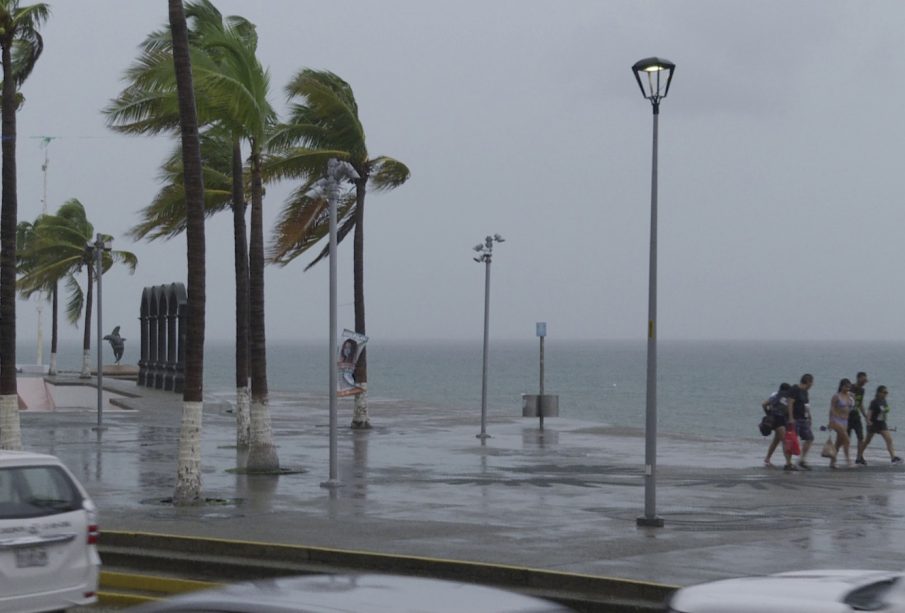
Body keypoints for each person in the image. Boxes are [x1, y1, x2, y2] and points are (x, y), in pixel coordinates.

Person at [862, 385, 903, 465]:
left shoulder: (884, 401)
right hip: (873, 424)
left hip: (882, 423)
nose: (886, 394)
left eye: (886, 392)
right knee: (867, 441)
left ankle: (893, 458)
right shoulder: (874, 402)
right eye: (884, 392)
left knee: (889, 439)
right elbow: (869, 412)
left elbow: (884, 411)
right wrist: (868, 421)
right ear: (879, 393)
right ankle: (859, 455)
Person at [786, 374, 815, 470]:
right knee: (792, 440)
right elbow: (790, 402)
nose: (812, 385)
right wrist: (790, 418)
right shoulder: (795, 389)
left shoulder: (805, 392)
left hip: (803, 419)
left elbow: (806, 405)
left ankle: (802, 459)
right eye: (811, 382)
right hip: (795, 419)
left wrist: (809, 416)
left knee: (810, 438)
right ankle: (788, 463)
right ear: (808, 382)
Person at [762, 383, 791, 468]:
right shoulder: (786, 397)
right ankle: (788, 463)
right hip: (780, 420)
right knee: (785, 441)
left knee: (776, 440)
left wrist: (768, 414)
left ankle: (767, 459)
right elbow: (787, 409)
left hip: (773, 419)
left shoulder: (775, 394)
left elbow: (764, 404)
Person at [827, 378, 853, 469]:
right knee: (847, 440)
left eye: (849, 387)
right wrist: (830, 421)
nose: (848, 388)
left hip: (845, 421)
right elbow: (832, 409)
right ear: (841, 386)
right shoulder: (836, 396)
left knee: (839, 443)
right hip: (836, 420)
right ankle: (848, 461)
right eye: (846, 386)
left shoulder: (850, 396)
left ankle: (832, 462)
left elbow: (851, 407)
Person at [850, 372, 869, 465]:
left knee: (860, 436)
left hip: (856, 416)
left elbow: (860, 403)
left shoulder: (862, 390)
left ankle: (859, 457)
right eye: (863, 379)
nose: (865, 382)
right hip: (847, 416)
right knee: (845, 438)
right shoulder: (850, 387)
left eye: (865, 380)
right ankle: (836, 455)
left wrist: (866, 417)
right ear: (858, 378)